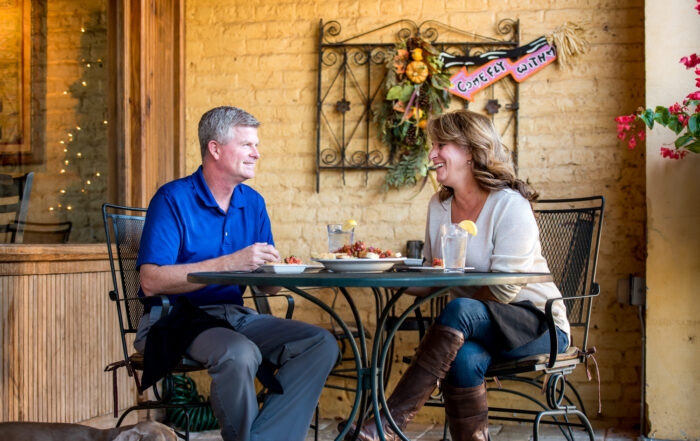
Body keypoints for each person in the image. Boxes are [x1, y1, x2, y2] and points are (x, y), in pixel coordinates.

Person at [349, 110, 570, 441]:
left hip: (538, 323)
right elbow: (435, 277)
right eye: (432, 145)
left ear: (470, 151)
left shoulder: (509, 205)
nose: (432, 154)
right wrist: (384, 271)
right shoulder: (439, 207)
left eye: (441, 145)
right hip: (471, 330)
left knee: (460, 308)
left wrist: (452, 286)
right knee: (462, 358)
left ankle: (385, 424)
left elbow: (505, 291)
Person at [133, 106, 339, 441]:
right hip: (174, 318)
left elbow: (266, 288)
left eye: (256, 145)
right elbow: (151, 280)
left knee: (319, 343)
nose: (256, 153)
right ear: (215, 149)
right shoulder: (172, 199)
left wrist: (275, 272)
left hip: (235, 316)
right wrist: (230, 262)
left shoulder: (253, 203)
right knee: (240, 353)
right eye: (247, 145)